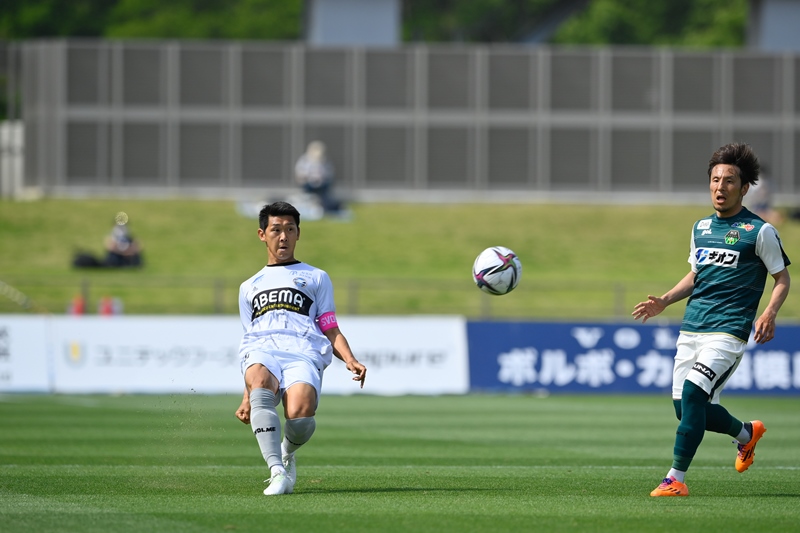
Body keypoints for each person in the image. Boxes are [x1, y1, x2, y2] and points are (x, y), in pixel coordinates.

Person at [632, 142, 791, 497]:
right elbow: (696, 274)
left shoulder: (759, 231)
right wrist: (665, 301)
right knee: (685, 408)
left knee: (693, 393)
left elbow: (782, 277)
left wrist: (769, 312)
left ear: (744, 188)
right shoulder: (700, 228)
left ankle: (675, 479)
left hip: (728, 331)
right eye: (716, 180)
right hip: (693, 327)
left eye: (729, 181)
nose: (721, 187)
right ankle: (747, 433)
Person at [234, 201, 367, 496]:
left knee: (301, 412)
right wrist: (247, 396)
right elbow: (250, 339)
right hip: (262, 348)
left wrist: (350, 359)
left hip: (302, 350)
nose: (283, 236)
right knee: (259, 380)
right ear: (262, 234)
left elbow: (329, 326)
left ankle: (286, 453)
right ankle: (276, 471)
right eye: (276, 230)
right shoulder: (248, 287)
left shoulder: (316, 277)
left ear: (298, 234)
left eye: (290, 229)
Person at [294, 141, 336, 213]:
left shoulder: (325, 161)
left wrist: (321, 180)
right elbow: (300, 174)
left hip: (321, 185)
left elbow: (329, 174)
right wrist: (310, 179)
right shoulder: (304, 160)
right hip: (308, 185)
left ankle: (324, 206)